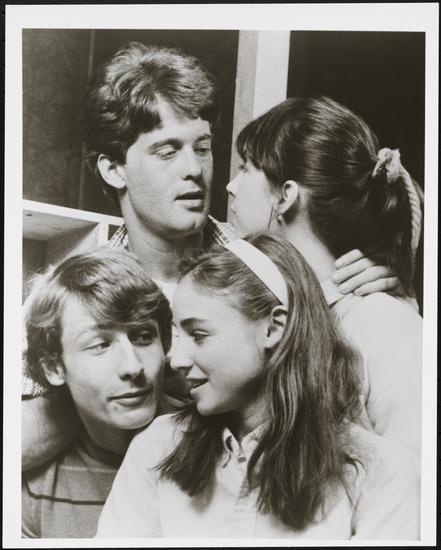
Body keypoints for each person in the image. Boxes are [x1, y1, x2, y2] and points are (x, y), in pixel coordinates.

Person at [22, 44, 400, 470]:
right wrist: (96, 386)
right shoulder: (72, 296)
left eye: (201, 148)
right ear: (114, 169)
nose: (194, 170)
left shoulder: (266, 269)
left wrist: (371, 287)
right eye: (168, 151)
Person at [97, 234, 418, 539]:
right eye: (179, 335)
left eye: (199, 334)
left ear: (273, 327)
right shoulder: (157, 448)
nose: (176, 360)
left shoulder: (378, 473)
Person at [225, 97, 423, 467]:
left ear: (286, 196)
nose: (231, 186)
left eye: (245, 169)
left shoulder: (383, 324)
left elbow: (418, 481)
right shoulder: (269, 315)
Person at [22, 248, 173, 537]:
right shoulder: (33, 491)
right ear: (54, 367)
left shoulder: (219, 449)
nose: (133, 366)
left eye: (143, 336)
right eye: (100, 345)